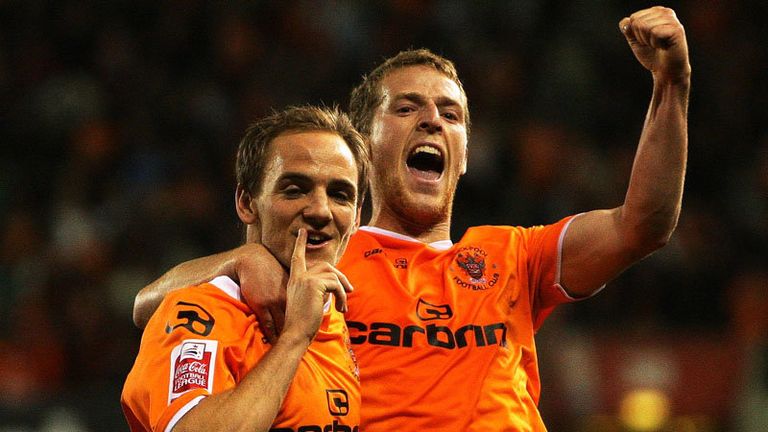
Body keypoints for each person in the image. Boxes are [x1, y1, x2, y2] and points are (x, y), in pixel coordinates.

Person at [133, 6, 690, 430]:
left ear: (464, 153)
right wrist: (242, 259)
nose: (432, 121)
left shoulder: (514, 256)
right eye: (405, 108)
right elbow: (147, 305)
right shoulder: (320, 251)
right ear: (362, 144)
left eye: (451, 114)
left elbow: (644, 225)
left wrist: (672, 85)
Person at [121, 105, 370, 432]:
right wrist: (294, 338)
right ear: (246, 202)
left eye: (340, 195)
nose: (321, 211)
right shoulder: (199, 310)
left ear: (357, 217)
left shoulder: (338, 317)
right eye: (295, 190)